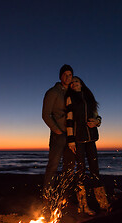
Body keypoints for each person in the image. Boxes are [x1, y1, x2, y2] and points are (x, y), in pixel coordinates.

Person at [65, 76, 108, 214]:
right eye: (71, 83)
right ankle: (82, 205)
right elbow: (69, 120)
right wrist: (71, 140)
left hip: (91, 138)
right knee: (81, 171)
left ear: (81, 84)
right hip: (78, 139)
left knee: (95, 170)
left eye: (76, 81)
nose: (74, 84)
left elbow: (97, 117)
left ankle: (103, 203)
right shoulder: (70, 98)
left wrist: (97, 122)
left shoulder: (90, 98)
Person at [42, 64, 75, 193]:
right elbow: (45, 114)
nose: (68, 77)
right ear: (60, 76)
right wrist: (57, 130)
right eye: (65, 75)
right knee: (53, 166)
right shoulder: (53, 92)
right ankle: (47, 196)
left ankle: (63, 196)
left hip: (72, 136)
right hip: (59, 135)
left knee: (69, 167)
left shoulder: (73, 93)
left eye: (70, 75)